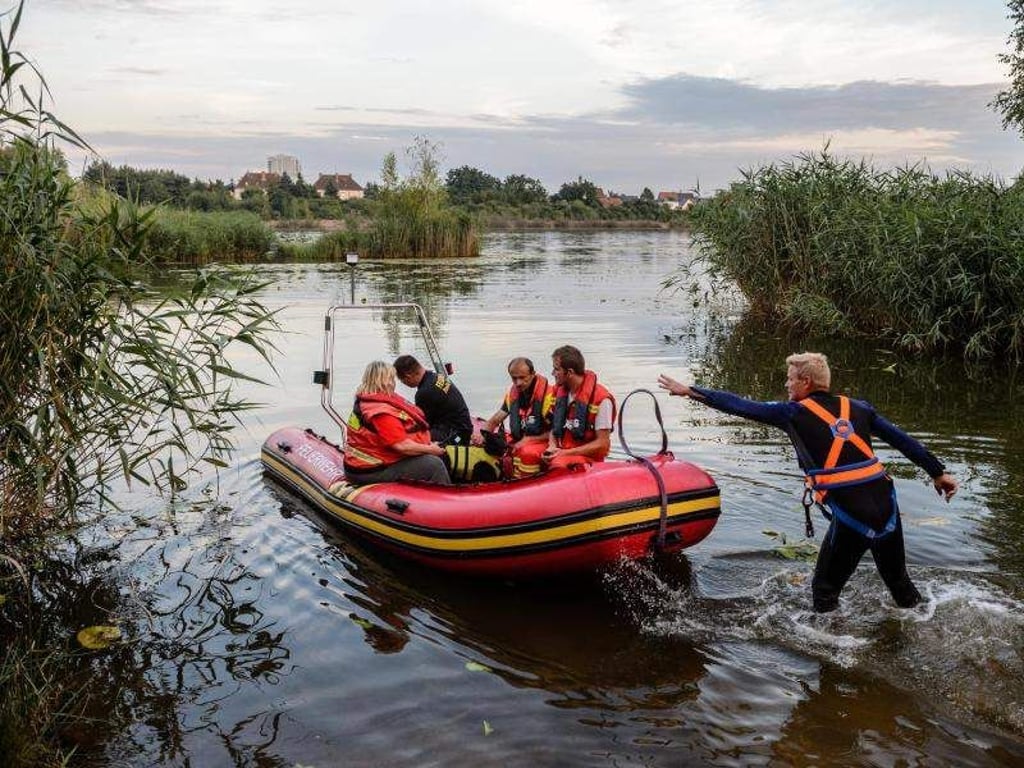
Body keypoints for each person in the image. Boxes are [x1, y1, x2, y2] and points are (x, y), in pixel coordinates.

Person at [657, 352, 958, 612]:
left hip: (854, 515)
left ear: (806, 383)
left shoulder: (792, 413)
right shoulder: (860, 408)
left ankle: (835, 653)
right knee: (899, 583)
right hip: (886, 505)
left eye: (790, 379)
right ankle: (919, 620)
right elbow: (902, 440)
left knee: (824, 591)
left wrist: (691, 391)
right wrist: (938, 473)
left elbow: (741, 405)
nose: (787, 384)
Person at [342, 361, 450, 486]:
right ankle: (445, 498)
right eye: (391, 379)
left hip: (374, 459)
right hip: (370, 471)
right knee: (434, 465)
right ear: (382, 381)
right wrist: (430, 449)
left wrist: (426, 444)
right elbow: (401, 446)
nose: (393, 383)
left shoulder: (366, 400)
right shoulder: (380, 412)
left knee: (440, 456)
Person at [473, 357, 555, 477]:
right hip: (520, 438)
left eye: (522, 378)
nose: (518, 383)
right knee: (490, 445)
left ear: (532, 374)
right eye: (514, 378)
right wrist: (482, 435)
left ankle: (523, 485)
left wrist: (528, 440)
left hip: (543, 441)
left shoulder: (548, 397)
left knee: (526, 453)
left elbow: (557, 432)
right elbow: (496, 419)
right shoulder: (513, 395)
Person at [542, 345, 616, 471]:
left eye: (556, 369)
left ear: (569, 372)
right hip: (563, 451)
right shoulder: (558, 393)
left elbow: (603, 444)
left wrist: (565, 454)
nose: (553, 373)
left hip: (588, 460)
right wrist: (552, 446)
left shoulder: (601, 399)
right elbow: (555, 428)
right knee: (530, 454)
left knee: (559, 463)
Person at [393, 355, 473, 445]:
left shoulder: (424, 392)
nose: (404, 383)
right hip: (464, 427)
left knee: (411, 439)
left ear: (408, 376)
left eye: (402, 380)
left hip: (458, 436)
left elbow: (423, 424)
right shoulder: (436, 376)